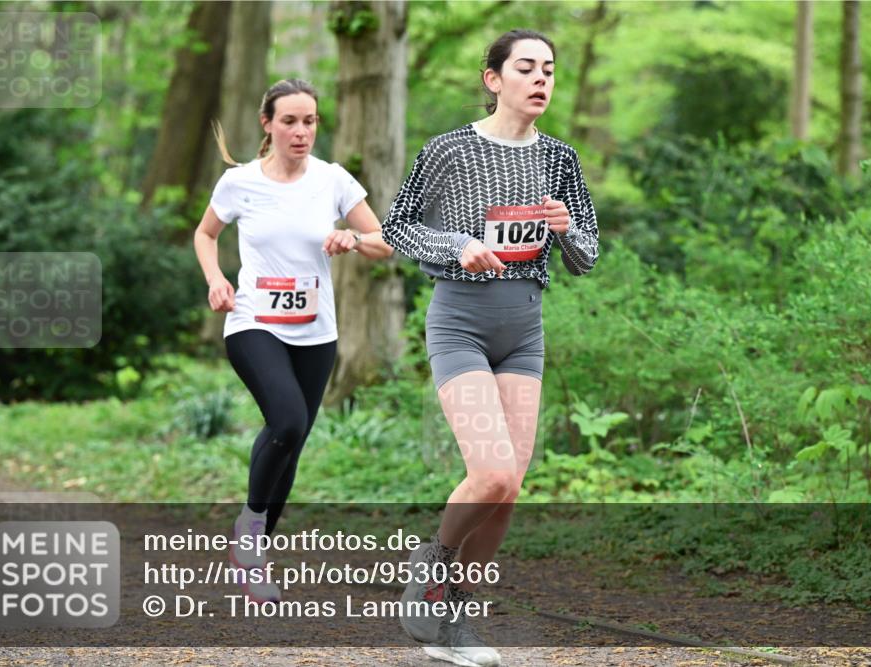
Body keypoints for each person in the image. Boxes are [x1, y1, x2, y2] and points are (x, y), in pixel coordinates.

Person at [382, 29, 599, 667]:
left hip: (524, 329)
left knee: (511, 488)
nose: (540, 80)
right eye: (526, 68)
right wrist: (456, 246)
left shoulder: (560, 158)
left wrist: (566, 231)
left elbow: (586, 256)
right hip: (461, 323)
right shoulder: (450, 150)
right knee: (493, 472)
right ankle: (431, 566)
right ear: (492, 79)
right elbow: (398, 227)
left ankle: (452, 624)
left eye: (549, 70)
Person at [193, 79, 392, 603]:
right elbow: (205, 234)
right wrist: (216, 279)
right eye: (289, 121)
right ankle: (249, 530)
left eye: (310, 121)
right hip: (253, 321)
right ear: (268, 124)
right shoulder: (239, 183)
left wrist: (354, 237)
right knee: (287, 420)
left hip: (316, 331)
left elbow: (385, 243)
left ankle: (253, 555)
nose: (301, 131)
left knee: (292, 444)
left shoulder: (333, 180)